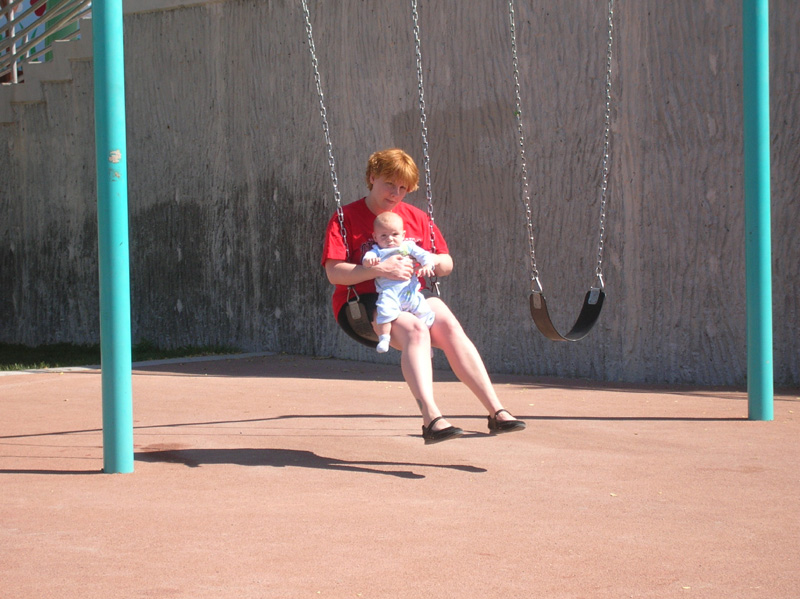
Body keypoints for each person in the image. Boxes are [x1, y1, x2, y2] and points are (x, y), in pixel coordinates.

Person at [321, 148, 526, 444]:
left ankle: (497, 411)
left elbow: (446, 261)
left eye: (403, 188)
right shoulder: (346, 218)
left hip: (410, 296)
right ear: (372, 177)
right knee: (416, 329)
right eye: (389, 184)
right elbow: (334, 272)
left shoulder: (415, 218)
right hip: (362, 305)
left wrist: (430, 263)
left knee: (445, 319)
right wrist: (383, 270)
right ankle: (431, 418)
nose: (396, 193)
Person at [362, 211, 436, 354]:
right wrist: (368, 261)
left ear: (403, 235)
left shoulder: (408, 246)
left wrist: (427, 265)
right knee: (384, 313)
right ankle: (384, 338)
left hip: (410, 291)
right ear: (375, 237)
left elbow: (424, 255)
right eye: (384, 235)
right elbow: (366, 260)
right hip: (389, 293)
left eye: (395, 234)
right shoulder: (377, 251)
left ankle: (427, 345)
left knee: (425, 314)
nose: (390, 239)